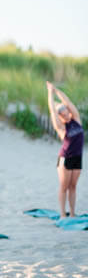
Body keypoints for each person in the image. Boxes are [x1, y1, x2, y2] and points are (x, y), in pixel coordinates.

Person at [47, 81, 84, 217]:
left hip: (78, 158)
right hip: (65, 159)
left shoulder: (76, 120)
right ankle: (63, 214)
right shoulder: (61, 128)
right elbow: (52, 111)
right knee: (64, 187)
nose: (66, 112)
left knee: (73, 187)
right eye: (62, 112)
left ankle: (72, 213)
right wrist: (50, 94)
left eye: (66, 110)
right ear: (60, 117)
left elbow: (67, 101)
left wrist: (56, 90)